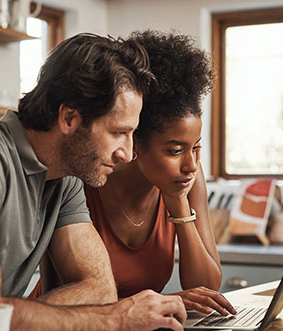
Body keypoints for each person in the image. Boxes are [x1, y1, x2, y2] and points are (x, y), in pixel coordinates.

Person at [0, 33, 187, 331]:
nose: (128, 153)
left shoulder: (64, 179)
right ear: (69, 118)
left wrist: (10, 324)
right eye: (119, 133)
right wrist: (116, 319)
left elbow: (100, 289)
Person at [81, 31, 237, 316]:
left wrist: (178, 203)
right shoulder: (88, 179)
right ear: (135, 142)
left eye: (196, 148)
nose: (191, 165)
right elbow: (72, 294)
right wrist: (167, 301)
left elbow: (208, 288)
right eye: (175, 151)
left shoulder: (186, 180)